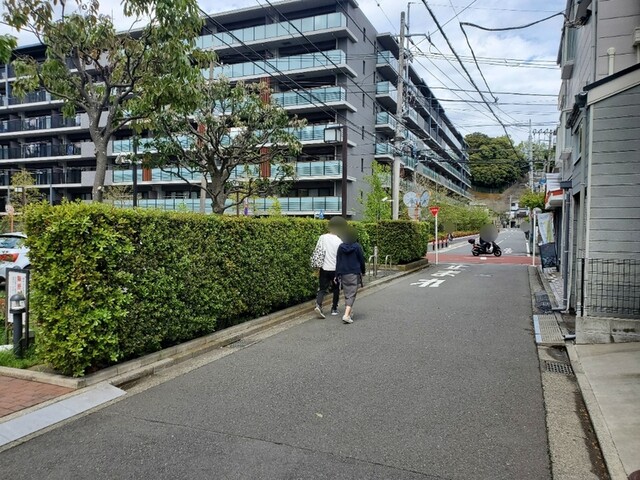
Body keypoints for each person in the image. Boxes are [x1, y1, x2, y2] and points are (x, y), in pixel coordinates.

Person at [313, 216, 347, 318]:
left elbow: (318, 251)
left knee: (322, 289)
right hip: (335, 269)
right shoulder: (339, 241)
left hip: (324, 268)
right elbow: (341, 257)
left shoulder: (322, 237)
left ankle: (318, 305)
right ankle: (334, 309)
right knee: (336, 289)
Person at [335, 226, 366, 324]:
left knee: (347, 293)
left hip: (343, 273)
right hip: (354, 272)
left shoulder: (341, 247)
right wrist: (363, 271)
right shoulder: (357, 246)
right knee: (352, 294)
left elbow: (338, 261)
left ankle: (349, 312)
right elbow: (361, 260)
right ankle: (346, 315)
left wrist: (336, 274)